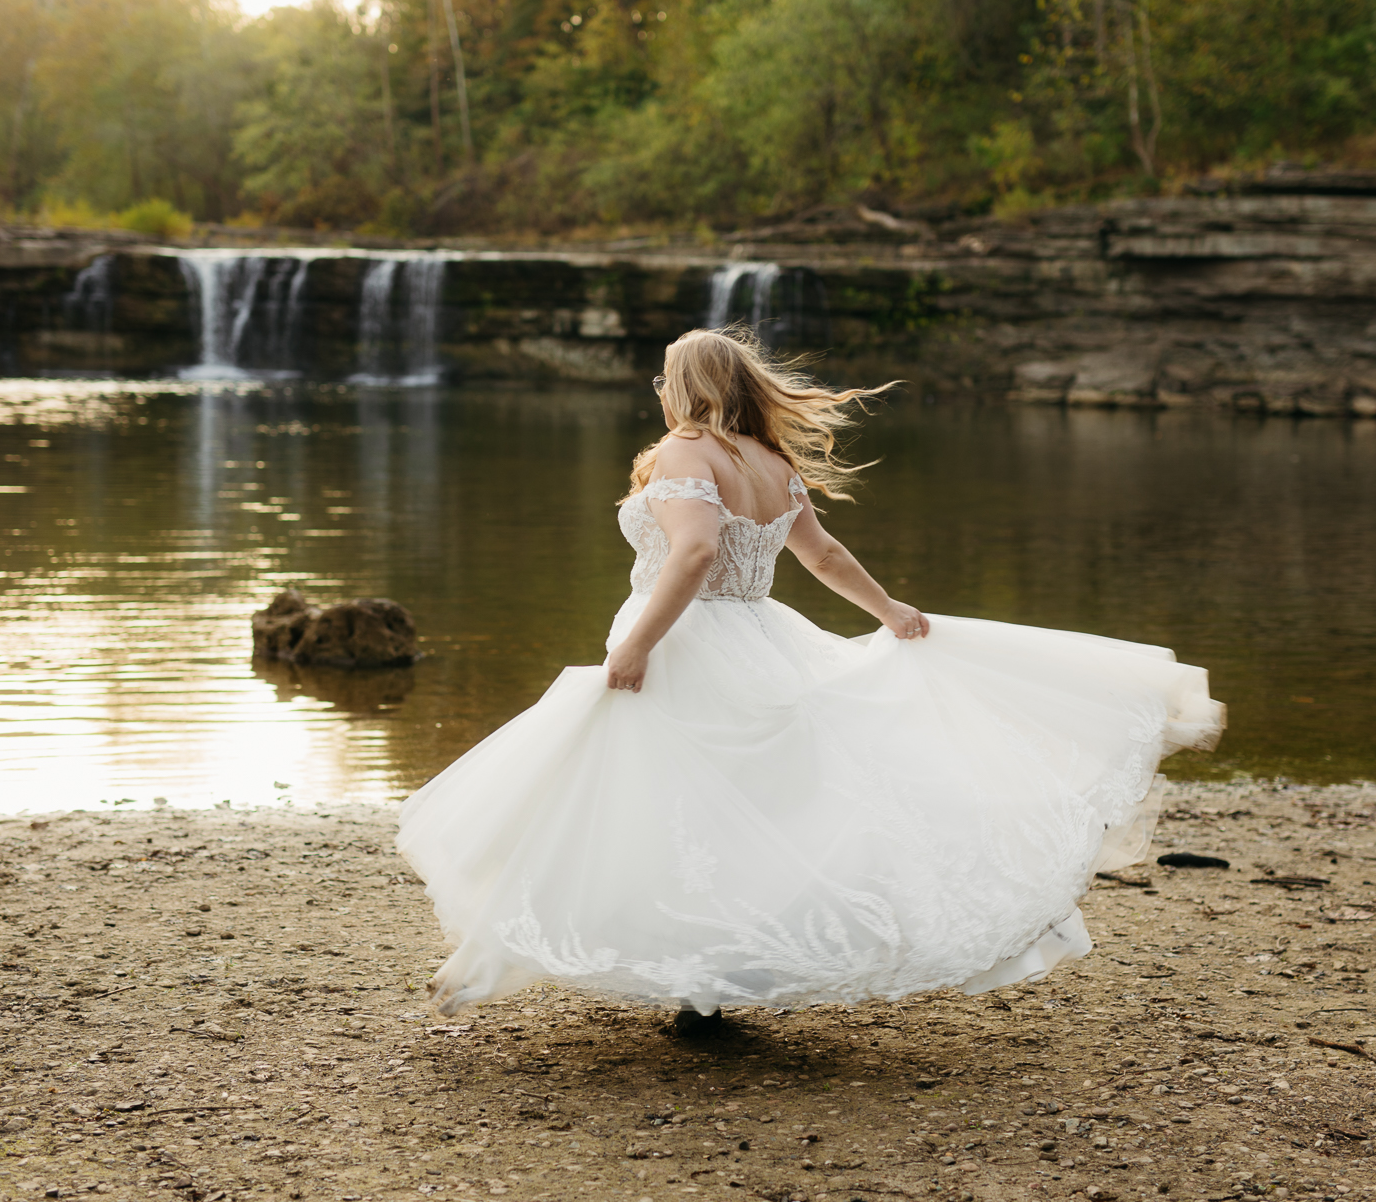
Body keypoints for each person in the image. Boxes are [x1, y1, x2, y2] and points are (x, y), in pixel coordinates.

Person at [397, 328, 1222, 1031]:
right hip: (760, 635)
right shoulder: (769, 459)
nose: (659, 392)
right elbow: (820, 554)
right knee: (730, 812)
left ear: (685, 386)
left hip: (690, 641)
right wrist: (888, 607)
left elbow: (691, 553)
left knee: (630, 797)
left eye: (663, 379)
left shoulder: (688, 451)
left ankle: (562, 962)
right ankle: (701, 982)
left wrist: (640, 644)